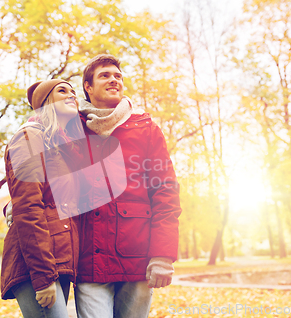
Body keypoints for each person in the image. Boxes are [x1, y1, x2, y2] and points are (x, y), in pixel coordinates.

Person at [74, 54, 182, 318]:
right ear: (88, 87)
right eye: (105, 75)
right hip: (89, 260)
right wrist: (17, 204)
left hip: (138, 258)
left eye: (118, 76)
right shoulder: (71, 127)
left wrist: (162, 255)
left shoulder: (145, 128)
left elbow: (165, 191)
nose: (114, 80)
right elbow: (49, 179)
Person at [0, 79, 84, 318]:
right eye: (62, 90)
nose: (71, 95)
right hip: (36, 264)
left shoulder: (62, 145)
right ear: (45, 102)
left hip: (59, 260)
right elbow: (28, 207)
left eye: (73, 92)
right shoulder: (29, 137)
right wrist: (43, 276)